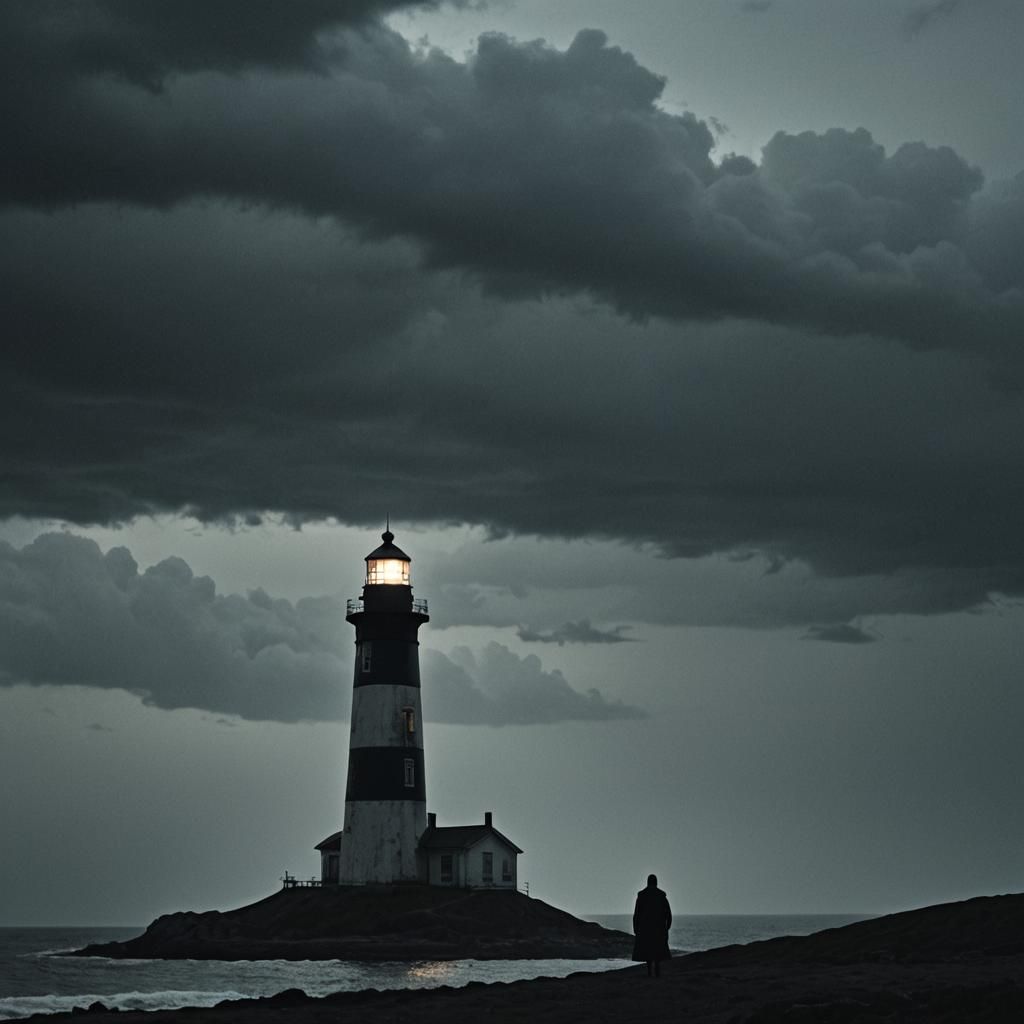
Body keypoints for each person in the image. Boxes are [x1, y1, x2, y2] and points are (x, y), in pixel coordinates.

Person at [632, 873, 672, 977]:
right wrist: (667, 926)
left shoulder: (641, 896)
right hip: (659, 928)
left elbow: (636, 913)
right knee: (657, 949)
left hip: (645, 928)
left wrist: (635, 927)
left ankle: (650, 970)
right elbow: (668, 913)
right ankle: (657, 968)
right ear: (656, 882)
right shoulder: (661, 896)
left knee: (647, 950)